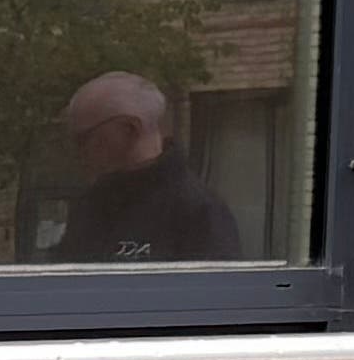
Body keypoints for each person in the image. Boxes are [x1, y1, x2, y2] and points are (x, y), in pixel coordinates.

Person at [38, 74, 241, 266]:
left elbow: (213, 297)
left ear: (130, 128)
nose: (78, 151)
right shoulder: (93, 204)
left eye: (84, 138)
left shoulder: (196, 211)